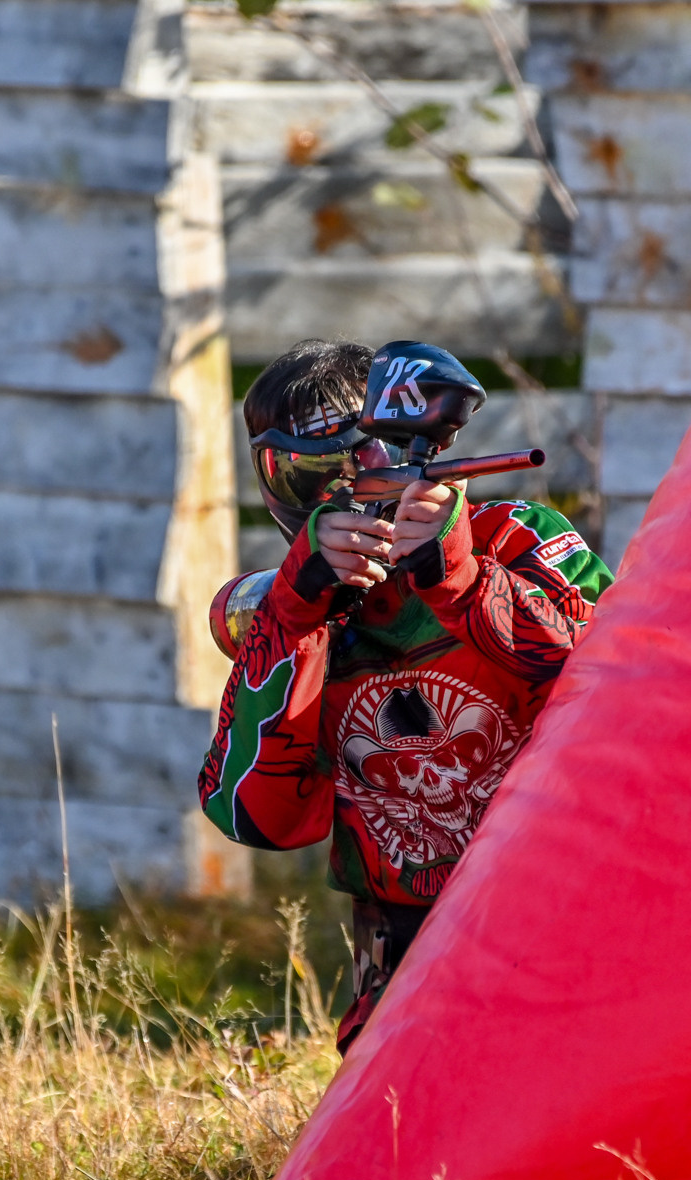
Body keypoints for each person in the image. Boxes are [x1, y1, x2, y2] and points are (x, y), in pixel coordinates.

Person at [197, 339, 613, 1052]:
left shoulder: (519, 538)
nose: (343, 498)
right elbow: (253, 815)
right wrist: (296, 618)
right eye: (306, 475)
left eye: (365, 461)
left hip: (566, 910)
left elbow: (618, 684)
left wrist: (461, 579)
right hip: (402, 948)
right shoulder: (291, 615)